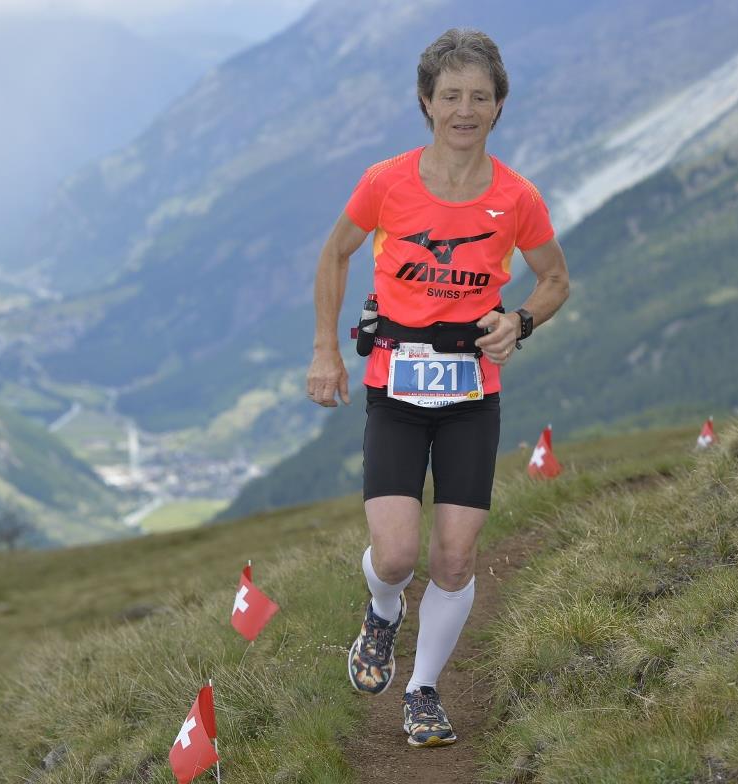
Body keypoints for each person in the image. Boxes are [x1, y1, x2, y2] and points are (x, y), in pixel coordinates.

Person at [305, 28, 569, 749]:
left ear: (499, 106)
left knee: (454, 556)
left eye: (479, 97)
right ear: (426, 102)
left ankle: (422, 692)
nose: (464, 109)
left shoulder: (516, 198)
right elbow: (335, 253)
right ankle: (382, 612)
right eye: (450, 95)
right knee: (395, 556)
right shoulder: (386, 182)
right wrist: (327, 349)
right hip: (395, 383)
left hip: (470, 393)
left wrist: (520, 322)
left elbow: (554, 279)